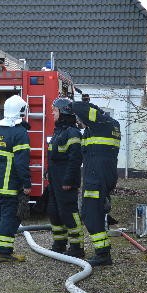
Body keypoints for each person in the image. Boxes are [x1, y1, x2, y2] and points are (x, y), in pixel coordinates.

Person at [71, 97, 121, 266]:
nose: (79, 122)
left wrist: (68, 105)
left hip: (97, 176)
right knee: (94, 212)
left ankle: (103, 254)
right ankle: (102, 252)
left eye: (80, 119)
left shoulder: (103, 123)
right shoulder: (103, 127)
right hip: (100, 174)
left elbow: (81, 109)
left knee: (90, 214)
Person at [0, 95, 31, 262]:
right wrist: (26, 183)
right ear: (21, 112)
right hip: (10, 186)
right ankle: (5, 252)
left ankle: (1, 248)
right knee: (9, 217)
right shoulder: (20, 133)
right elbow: (21, 163)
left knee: (0, 216)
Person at [46, 97, 84, 258]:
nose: (52, 113)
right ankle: (59, 243)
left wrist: (68, 180)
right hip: (55, 179)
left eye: (55, 110)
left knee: (68, 212)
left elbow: (75, 159)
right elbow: (53, 156)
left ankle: (77, 247)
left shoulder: (73, 133)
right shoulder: (58, 131)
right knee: (54, 211)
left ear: (63, 112)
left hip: (66, 180)